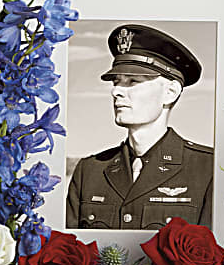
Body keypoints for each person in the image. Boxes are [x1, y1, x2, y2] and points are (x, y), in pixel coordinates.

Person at [66, 24, 213, 230]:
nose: (116, 91)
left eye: (133, 81)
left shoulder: (207, 169)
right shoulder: (89, 171)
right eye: (116, 81)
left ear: (170, 92)